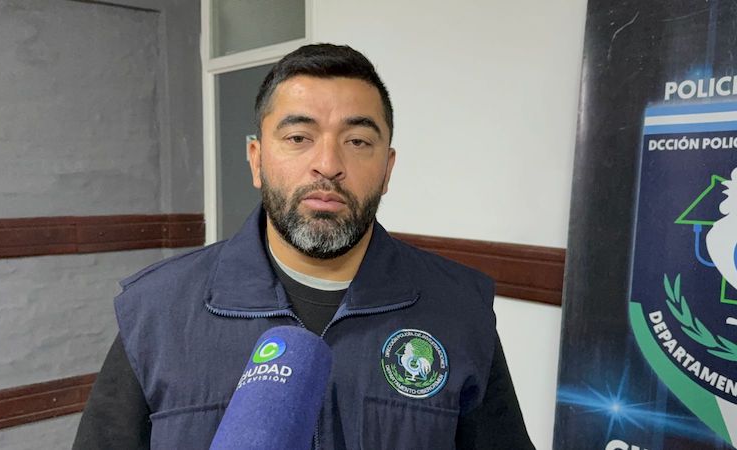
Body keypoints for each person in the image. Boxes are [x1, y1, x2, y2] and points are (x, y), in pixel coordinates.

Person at [73, 43, 534, 450]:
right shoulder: (156, 311)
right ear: (257, 160)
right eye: (298, 138)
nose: (328, 164)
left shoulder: (460, 309)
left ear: (387, 169)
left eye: (357, 141)